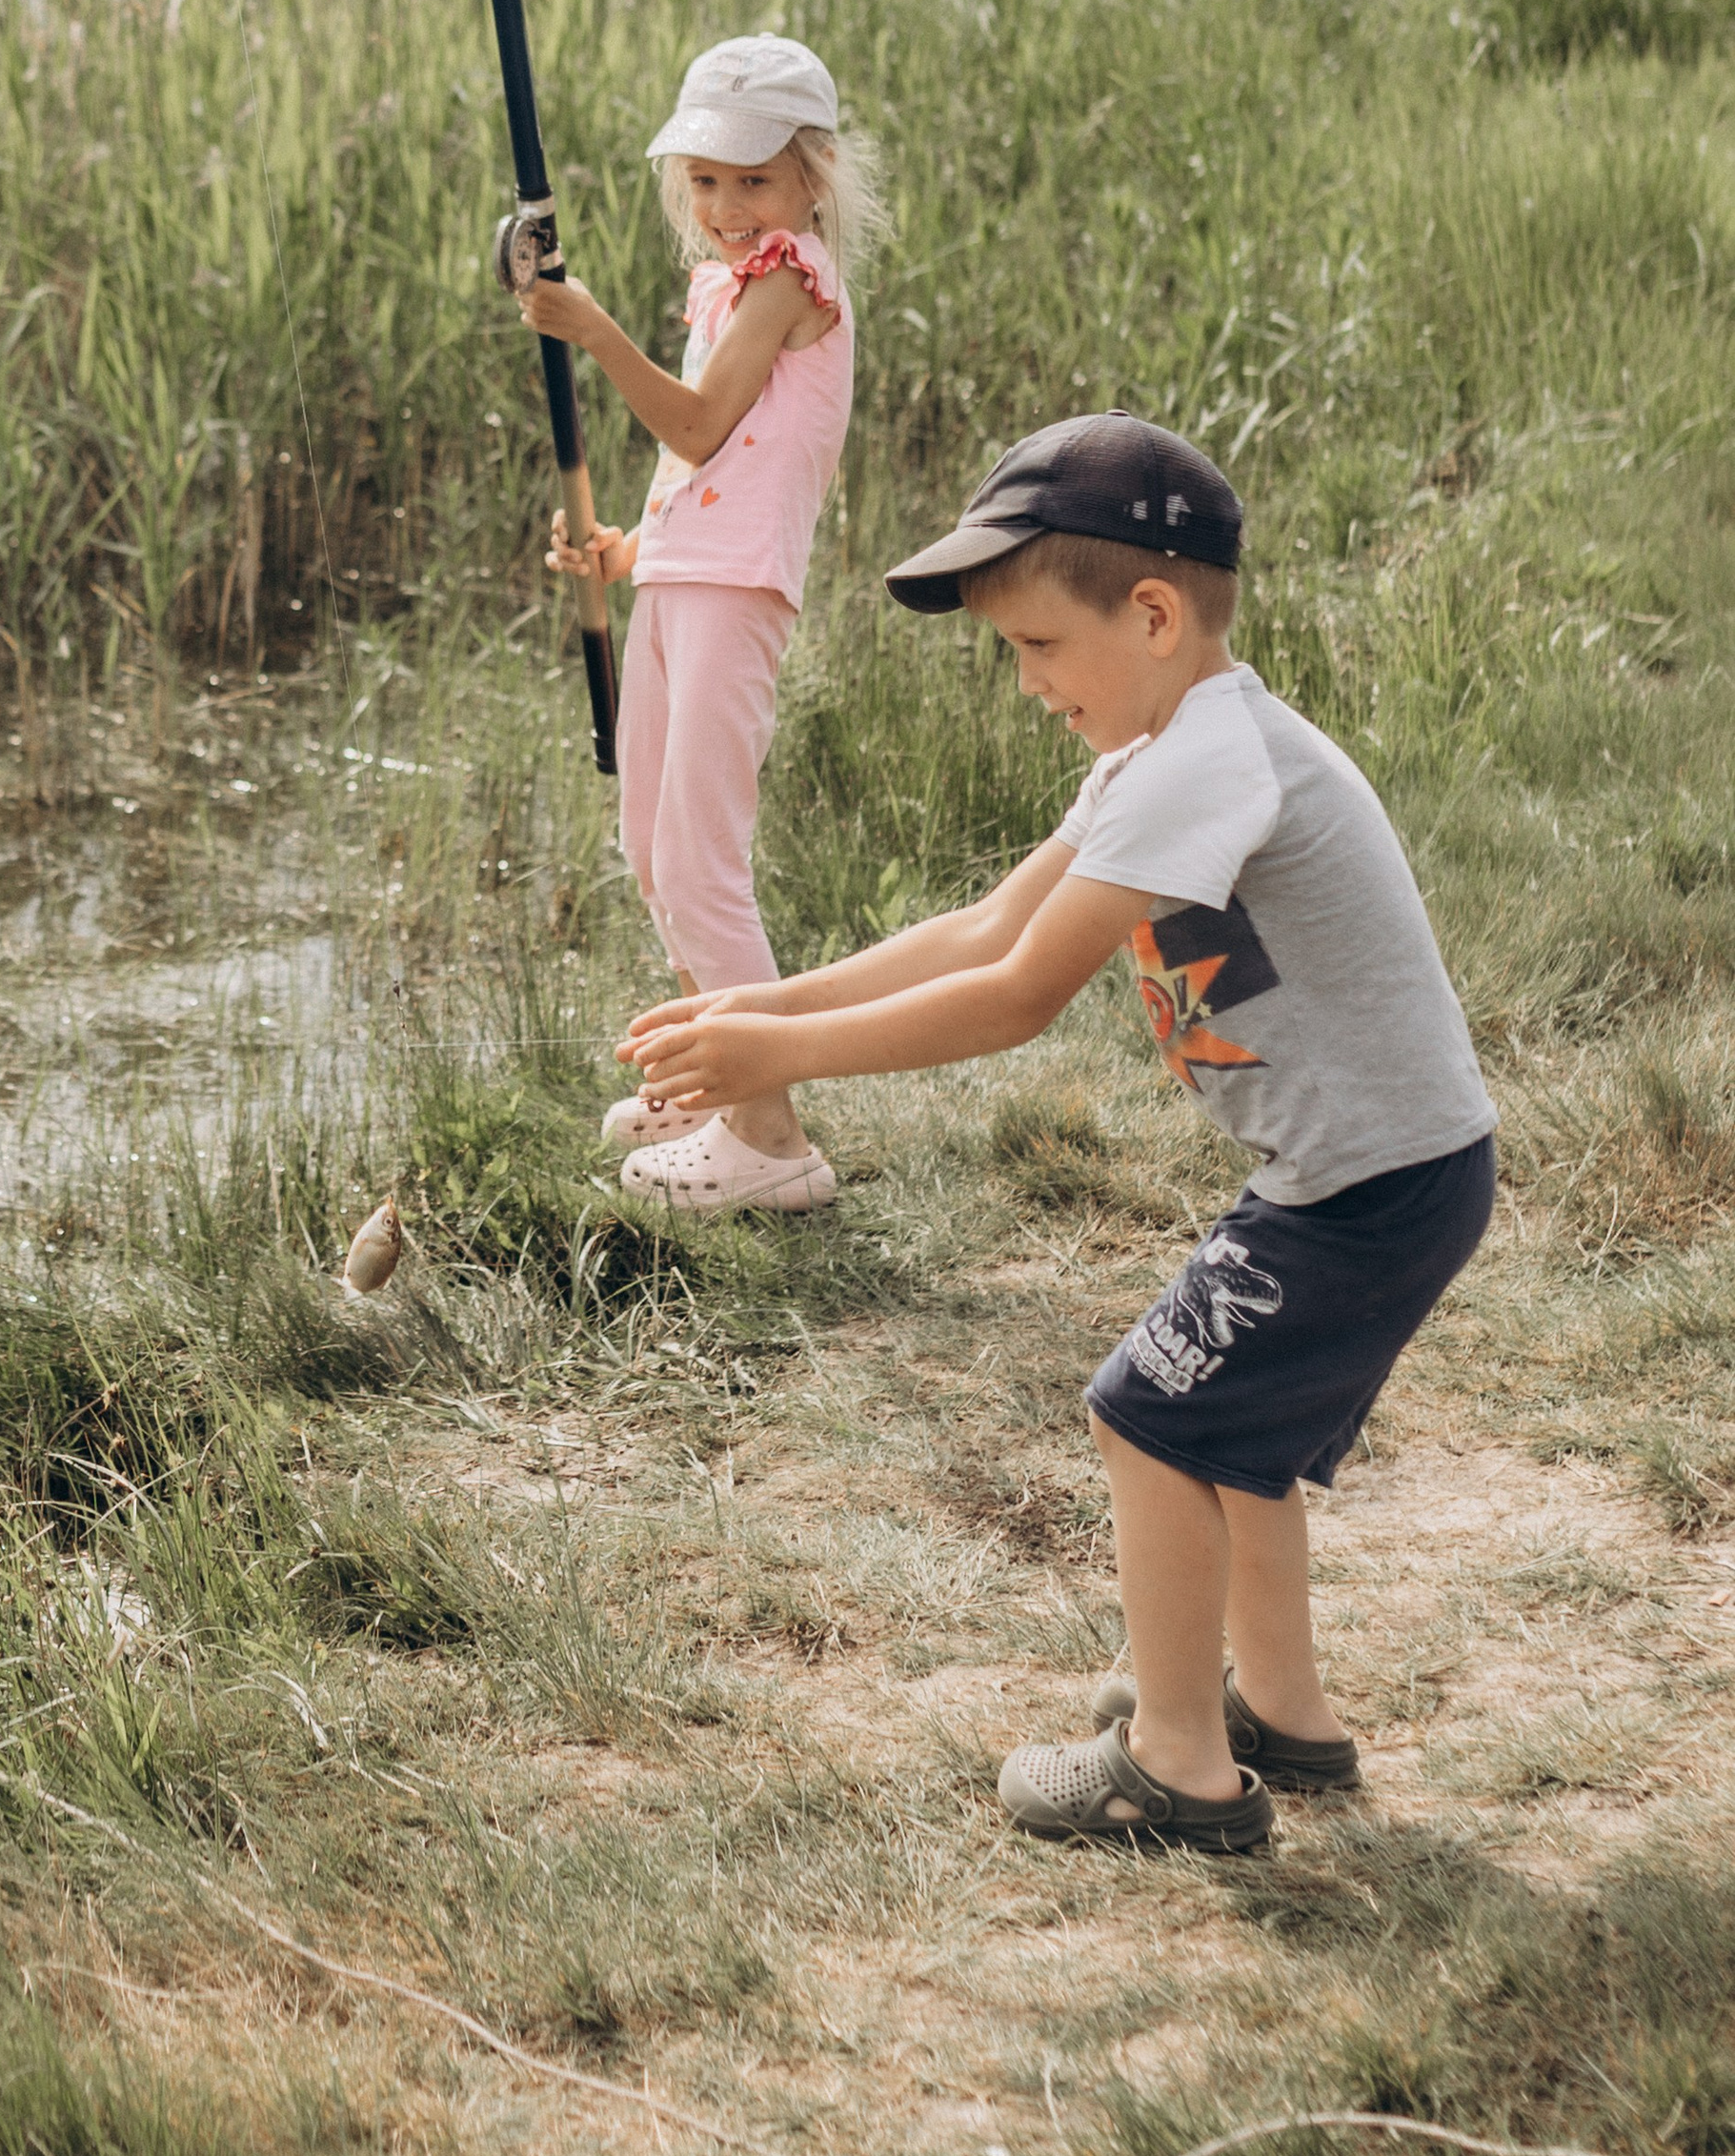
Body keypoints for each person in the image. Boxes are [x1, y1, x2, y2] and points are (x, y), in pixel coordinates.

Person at [620, 412, 1498, 1851]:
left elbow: (1016, 995)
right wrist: (756, 1004)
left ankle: (1179, 1772)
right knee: (1237, 1443)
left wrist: (771, 1053)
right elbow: (980, 926)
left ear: (1152, 614)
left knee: (1146, 1415)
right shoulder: (1167, 748)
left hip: (1370, 1189)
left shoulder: (1208, 763)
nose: (1027, 686)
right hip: (1378, 1173)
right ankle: (1282, 1716)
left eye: (1036, 647)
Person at [517, 31, 878, 1214]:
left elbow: (700, 426)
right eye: (706, 180)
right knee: (649, 849)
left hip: (736, 595)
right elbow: (704, 476)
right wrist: (630, 547)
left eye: (753, 179)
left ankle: (770, 1141)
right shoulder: (726, 279)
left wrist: (595, 333)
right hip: (686, 575)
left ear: (810, 176)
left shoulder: (790, 279)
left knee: (704, 865)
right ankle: (716, 1084)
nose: (726, 205)